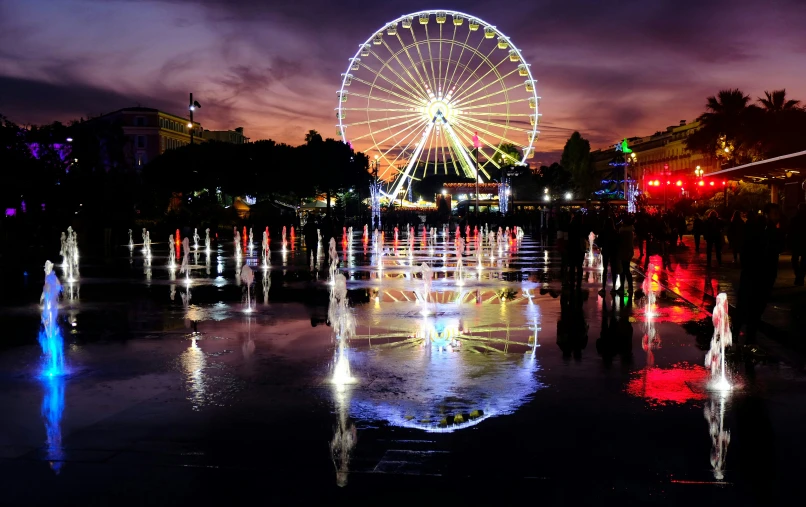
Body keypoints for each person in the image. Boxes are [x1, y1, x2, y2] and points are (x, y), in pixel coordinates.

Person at [734, 205, 784, 344]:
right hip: (758, 273)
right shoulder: (765, 230)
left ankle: (741, 336)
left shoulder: (764, 229)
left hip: (757, 273)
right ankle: (744, 338)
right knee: (752, 307)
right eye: (775, 214)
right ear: (767, 215)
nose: (777, 217)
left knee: (749, 307)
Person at [566, 211, 587, 288]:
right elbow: (586, 236)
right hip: (580, 248)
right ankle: (579, 282)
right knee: (579, 266)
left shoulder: (571, 225)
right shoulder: (582, 226)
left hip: (572, 247)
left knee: (572, 266)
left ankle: (571, 281)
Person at [598, 211, 617, 295]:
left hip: (605, 250)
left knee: (605, 269)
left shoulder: (603, 231)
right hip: (613, 250)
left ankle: (603, 288)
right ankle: (614, 287)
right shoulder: (614, 231)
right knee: (613, 269)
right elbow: (618, 241)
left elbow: (599, 242)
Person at [616, 216, 635, 293]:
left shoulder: (623, 232)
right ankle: (630, 287)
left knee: (624, 270)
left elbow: (621, 242)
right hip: (627, 252)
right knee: (626, 269)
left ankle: (623, 287)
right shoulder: (630, 231)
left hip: (624, 252)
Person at [788, 203, 806, 286]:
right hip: (802, 242)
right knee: (803, 261)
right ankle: (800, 276)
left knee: (795, 260)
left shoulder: (794, 219)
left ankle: (799, 276)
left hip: (797, 242)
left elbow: (790, 232)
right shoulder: (795, 219)